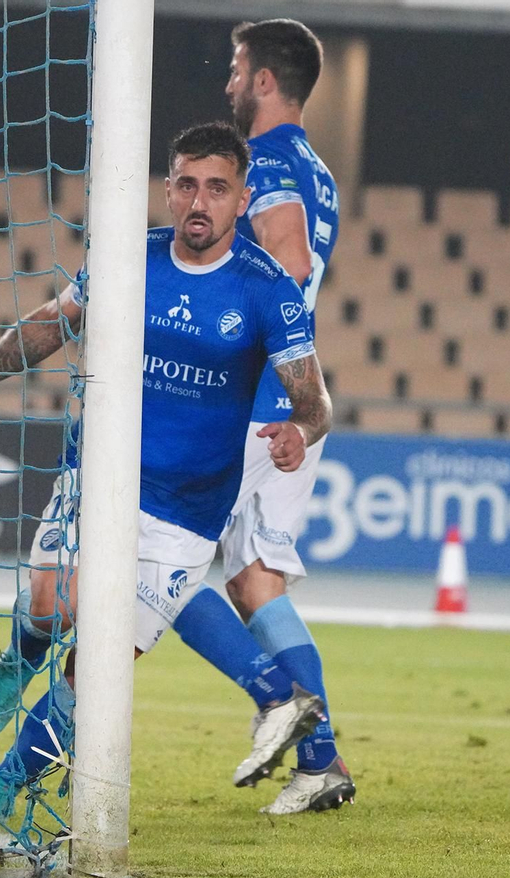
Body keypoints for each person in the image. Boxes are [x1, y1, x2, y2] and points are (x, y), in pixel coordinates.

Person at [0, 122, 334, 823]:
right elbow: (51, 324)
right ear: (167, 188)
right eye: (187, 184)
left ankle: (7, 784)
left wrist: (299, 428)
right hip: (100, 476)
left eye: (218, 188)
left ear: (242, 197)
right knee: (55, 605)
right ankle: (21, 652)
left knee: (96, 668)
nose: (200, 201)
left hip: (188, 514)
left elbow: (314, 397)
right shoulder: (128, 260)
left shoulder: (266, 290)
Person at [162, 18, 353, 816]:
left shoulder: (268, 163)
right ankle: (321, 757)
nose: (230, 84)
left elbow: (292, 260)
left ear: (266, 80)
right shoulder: (318, 167)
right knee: (251, 580)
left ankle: (314, 742)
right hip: (281, 402)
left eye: (238, 71)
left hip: (252, 406)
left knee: (157, 561)